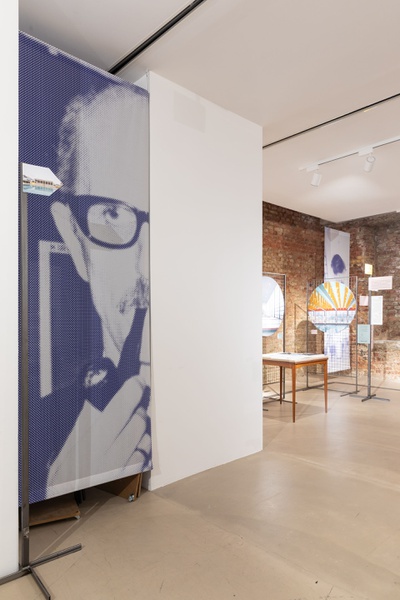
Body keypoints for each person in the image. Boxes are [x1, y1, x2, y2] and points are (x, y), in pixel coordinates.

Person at [30, 81, 152, 501]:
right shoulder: (35, 436)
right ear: (72, 236)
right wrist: (60, 484)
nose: (147, 267)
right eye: (112, 214)